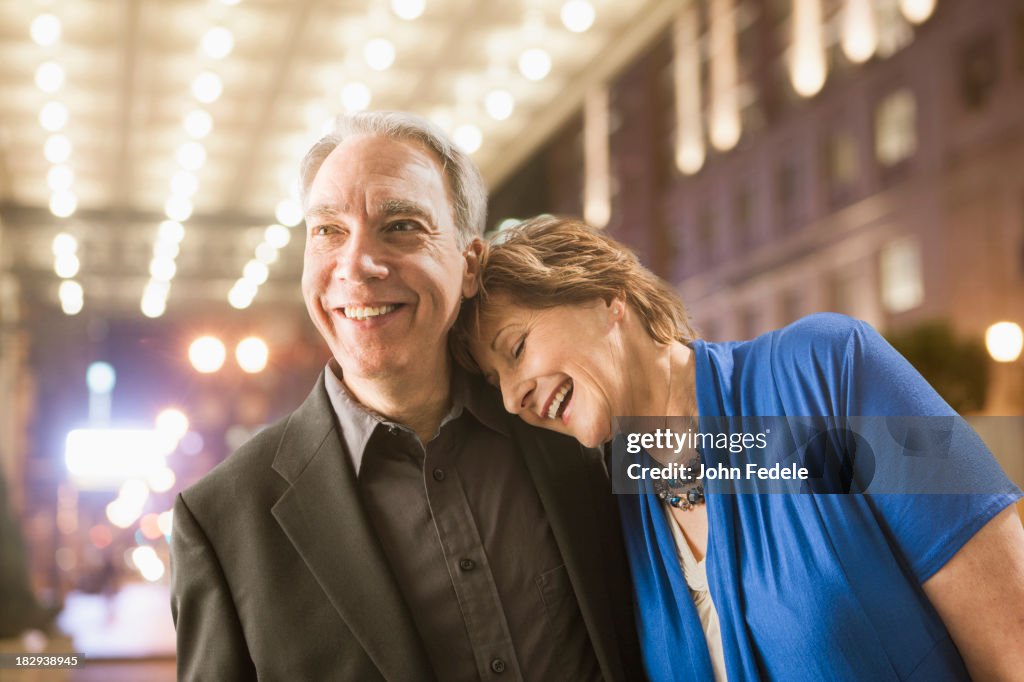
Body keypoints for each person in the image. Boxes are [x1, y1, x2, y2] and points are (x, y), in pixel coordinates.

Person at [170, 114, 643, 681]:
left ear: (469, 265)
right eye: (328, 231)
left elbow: (763, 459)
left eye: (400, 225)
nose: (357, 264)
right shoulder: (222, 521)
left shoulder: (566, 419)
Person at [454, 215, 1024, 682]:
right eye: (494, 380)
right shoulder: (617, 502)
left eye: (517, 347)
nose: (511, 397)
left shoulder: (831, 367)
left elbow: (1013, 637)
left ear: (607, 296)